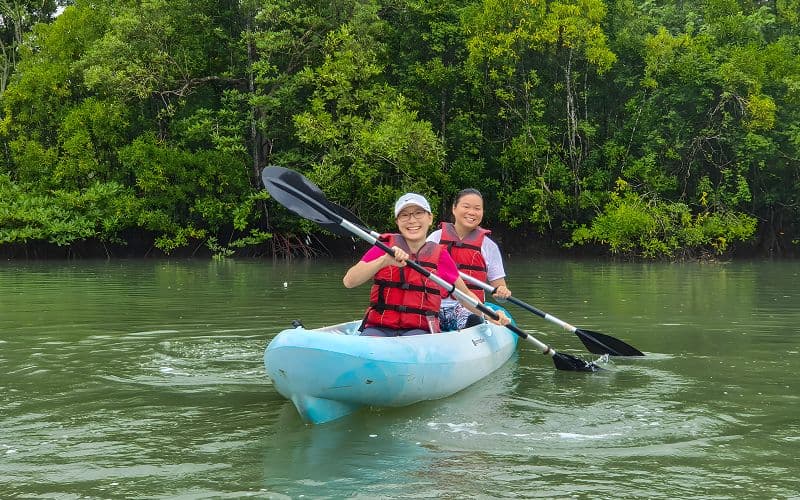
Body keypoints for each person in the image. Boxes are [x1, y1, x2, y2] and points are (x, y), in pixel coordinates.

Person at [343, 192, 509, 337]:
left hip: (418, 331)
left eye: (418, 213)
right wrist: (384, 261)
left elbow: (464, 295)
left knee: (414, 340)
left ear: (430, 218)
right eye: (404, 215)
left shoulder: (439, 255)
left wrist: (490, 315)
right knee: (371, 338)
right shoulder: (384, 247)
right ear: (397, 221)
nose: (412, 220)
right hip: (379, 327)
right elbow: (349, 281)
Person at [427, 188, 512, 331]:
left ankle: (472, 327)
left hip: (469, 306)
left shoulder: (489, 246)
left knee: (471, 317)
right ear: (454, 209)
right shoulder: (435, 238)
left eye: (477, 208)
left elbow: (499, 293)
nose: (472, 212)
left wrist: (502, 293)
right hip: (435, 304)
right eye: (466, 207)